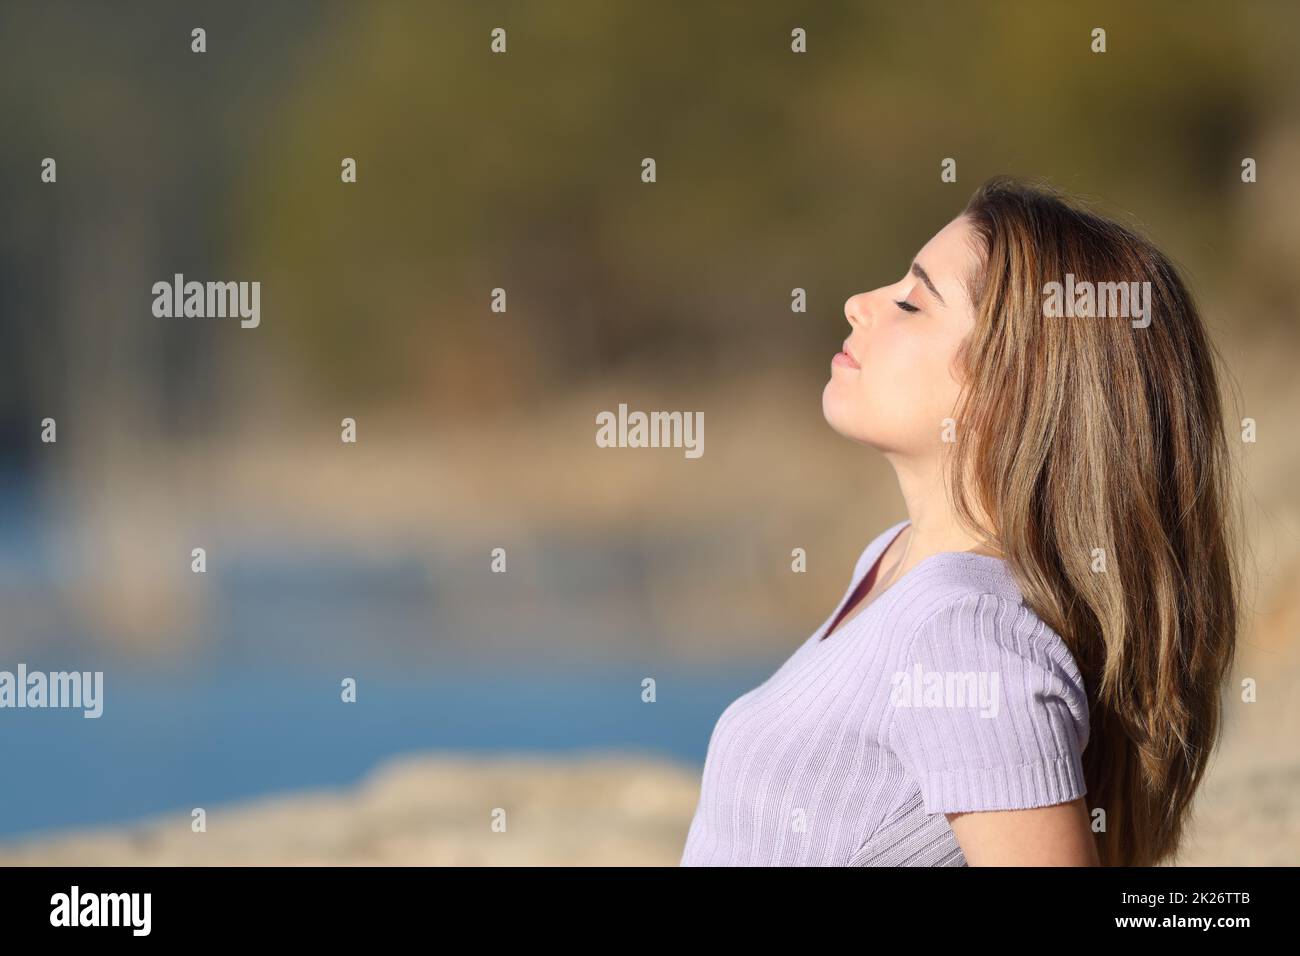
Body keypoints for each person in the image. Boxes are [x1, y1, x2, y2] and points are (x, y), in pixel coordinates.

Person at [679, 176, 1240, 866]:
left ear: (1013, 386)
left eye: (913, 302)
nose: (859, 304)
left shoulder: (965, 635)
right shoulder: (892, 562)